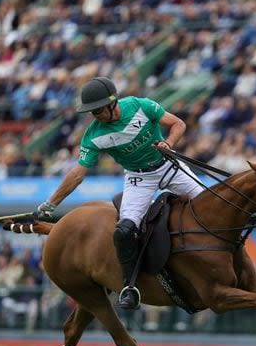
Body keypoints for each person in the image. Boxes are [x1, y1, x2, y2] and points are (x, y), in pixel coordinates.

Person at [35, 77, 204, 309]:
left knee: (209, 204)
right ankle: (130, 286)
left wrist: (169, 143)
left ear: (112, 103)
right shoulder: (94, 135)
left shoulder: (139, 105)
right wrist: (51, 203)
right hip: (139, 178)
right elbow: (77, 174)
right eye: (91, 112)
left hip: (168, 166)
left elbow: (178, 124)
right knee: (124, 231)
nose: (94, 115)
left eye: (97, 110)